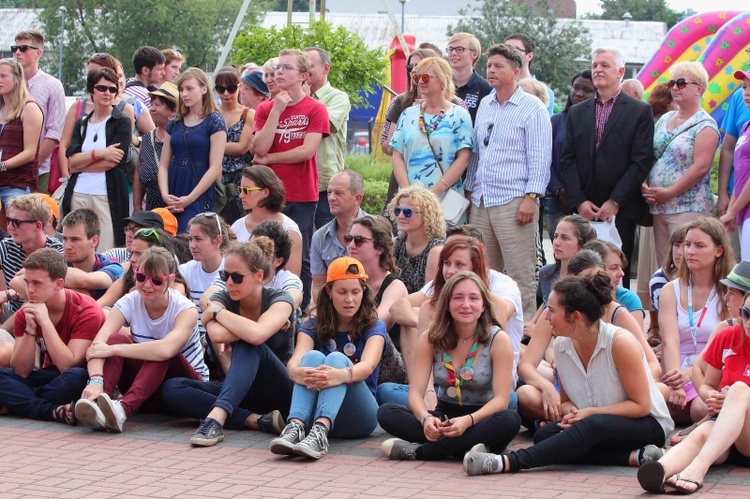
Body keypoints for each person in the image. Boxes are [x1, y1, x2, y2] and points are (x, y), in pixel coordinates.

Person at [464, 272, 673, 475]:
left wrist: (589, 413)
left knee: (590, 427)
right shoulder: (562, 345)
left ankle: (506, 462)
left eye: (552, 310)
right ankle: (636, 457)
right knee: (545, 436)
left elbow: (641, 406)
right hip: (595, 423)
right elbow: (565, 401)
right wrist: (572, 412)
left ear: (575, 317)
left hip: (647, 424)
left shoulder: (620, 343)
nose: (546, 316)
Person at [377, 270, 520, 461]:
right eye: (458, 298)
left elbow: (502, 399)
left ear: (484, 305)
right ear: (446, 304)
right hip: (444, 415)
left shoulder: (498, 339)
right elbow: (414, 393)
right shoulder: (430, 337)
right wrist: (426, 419)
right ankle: (466, 449)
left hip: (481, 418)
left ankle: (420, 452)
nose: (466, 305)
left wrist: (468, 421)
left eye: (473, 298)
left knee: (510, 420)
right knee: (387, 412)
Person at [518, 249, 661, 429]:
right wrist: (546, 388)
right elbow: (527, 364)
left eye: (596, 281)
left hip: (613, 395)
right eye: (586, 283)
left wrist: (635, 379)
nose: (592, 289)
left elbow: (652, 364)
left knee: (660, 392)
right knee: (525, 395)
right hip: (569, 392)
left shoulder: (617, 314)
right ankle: (569, 425)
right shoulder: (553, 315)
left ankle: (572, 427)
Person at [172, 240, 295, 446]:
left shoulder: (280, 299)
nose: (229, 283)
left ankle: (216, 419)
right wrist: (253, 327)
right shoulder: (223, 297)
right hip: (239, 390)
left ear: (258, 276)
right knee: (173, 388)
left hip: (279, 390)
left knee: (250, 345)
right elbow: (217, 335)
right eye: (225, 276)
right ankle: (253, 420)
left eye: (237, 277)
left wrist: (217, 313)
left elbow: (255, 336)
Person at [74, 246, 207, 433]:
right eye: (141, 277)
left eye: (156, 281)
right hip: (147, 388)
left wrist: (113, 350)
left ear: (170, 280)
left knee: (160, 352)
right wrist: (96, 380)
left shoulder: (185, 309)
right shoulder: (130, 300)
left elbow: (165, 350)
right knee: (116, 338)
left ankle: (122, 410)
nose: (147, 285)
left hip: (184, 387)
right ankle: (99, 404)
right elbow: (98, 345)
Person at [466, 43, 552, 321]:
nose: (491, 70)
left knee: (520, 273)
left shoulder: (533, 108)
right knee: (484, 271)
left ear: (515, 72)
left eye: (498, 66)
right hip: (481, 199)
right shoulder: (485, 105)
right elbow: (477, 153)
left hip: (515, 200)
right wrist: (469, 191)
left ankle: (522, 334)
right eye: (489, 65)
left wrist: (532, 197)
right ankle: (488, 329)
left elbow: (540, 156)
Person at [269, 257, 385, 459]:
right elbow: (294, 361)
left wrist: (340, 375)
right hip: (315, 412)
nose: (349, 299)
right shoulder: (313, 324)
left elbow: (368, 366)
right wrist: (296, 372)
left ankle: (321, 432)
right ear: (329, 292)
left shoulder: (374, 325)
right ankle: (296, 426)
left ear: (363, 292)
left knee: (336, 359)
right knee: (313, 356)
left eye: (355, 292)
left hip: (359, 416)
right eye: (342, 292)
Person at [637, 291, 750, 494]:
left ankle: (698, 468)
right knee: (701, 433)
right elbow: (707, 385)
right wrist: (711, 397)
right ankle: (661, 469)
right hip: (723, 432)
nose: (748, 321)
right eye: (746, 313)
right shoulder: (728, 335)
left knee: (740, 390)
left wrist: (734, 398)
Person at [560, 48, 655, 289]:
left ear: (621, 72)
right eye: (595, 65)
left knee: (615, 276)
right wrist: (579, 201)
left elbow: (641, 160)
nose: (598, 70)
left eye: (605, 65)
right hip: (583, 210)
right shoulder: (576, 111)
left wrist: (616, 200)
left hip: (620, 209)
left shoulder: (639, 111)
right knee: (579, 275)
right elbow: (567, 159)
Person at [252, 49, 330, 312]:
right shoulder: (266, 108)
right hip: (266, 195)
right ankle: (261, 304)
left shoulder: (316, 109)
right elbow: (258, 148)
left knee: (301, 254)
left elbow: (307, 151)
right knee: (261, 250)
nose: (279, 72)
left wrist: (270, 159)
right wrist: (276, 111)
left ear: (304, 76)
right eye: (277, 68)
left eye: (287, 68)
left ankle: (300, 307)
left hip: (301, 193)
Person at [0, 248, 105, 424]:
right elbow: (21, 371)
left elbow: (68, 365)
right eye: (27, 282)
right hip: (47, 377)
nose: (30, 290)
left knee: (76, 377)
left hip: (79, 378)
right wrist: (31, 328)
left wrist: (46, 322)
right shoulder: (26, 312)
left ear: (58, 284)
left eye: (37, 283)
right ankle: (50, 410)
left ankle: (17, 402)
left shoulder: (86, 310)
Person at [658, 217, 734, 425]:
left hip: (712, 371)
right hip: (677, 369)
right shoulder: (670, 290)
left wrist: (691, 373)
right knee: (655, 401)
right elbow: (669, 342)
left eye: (699, 246)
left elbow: (726, 346)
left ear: (719, 251)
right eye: (687, 245)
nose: (689, 251)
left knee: (701, 409)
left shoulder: (729, 292)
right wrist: (675, 383)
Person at [644, 62, 720, 266]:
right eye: (672, 83)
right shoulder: (665, 118)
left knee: (687, 265)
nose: (674, 88)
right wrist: (644, 182)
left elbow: (701, 167)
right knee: (665, 266)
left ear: (699, 88)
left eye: (681, 82)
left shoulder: (705, 124)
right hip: (659, 206)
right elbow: (649, 153)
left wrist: (670, 192)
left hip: (688, 207)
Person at [390, 56, 473, 218]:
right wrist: (407, 192)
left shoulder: (459, 115)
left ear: (443, 81)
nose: (420, 81)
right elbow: (397, 154)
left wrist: (435, 192)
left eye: (426, 77)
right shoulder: (408, 114)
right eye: (417, 77)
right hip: (410, 201)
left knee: (446, 242)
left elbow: (464, 158)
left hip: (445, 198)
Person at [62, 68, 132, 252]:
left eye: (112, 89)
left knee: (106, 250)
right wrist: (99, 154)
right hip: (78, 192)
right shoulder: (82, 123)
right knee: (77, 248)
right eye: (101, 88)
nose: (107, 93)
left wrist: (81, 164)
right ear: (91, 91)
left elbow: (114, 161)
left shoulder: (121, 121)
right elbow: (71, 161)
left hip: (107, 195)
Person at [158, 67, 227, 233]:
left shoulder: (214, 121)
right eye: (181, 90)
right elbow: (163, 165)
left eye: (189, 89)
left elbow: (215, 167)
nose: (184, 94)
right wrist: (165, 195)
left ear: (204, 89)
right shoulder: (174, 122)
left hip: (199, 187)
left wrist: (189, 199)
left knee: (192, 235)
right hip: (174, 185)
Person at [347, 215, 409, 385]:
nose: (351, 245)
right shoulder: (346, 280)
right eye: (349, 238)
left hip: (386, 368)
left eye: (359, 240)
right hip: (351, 355)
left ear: (379, 248)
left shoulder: (394, 286)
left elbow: (376, 324)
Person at [12, 30, 65, 195]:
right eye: (15, 48)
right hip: (6, 169)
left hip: (39, 170)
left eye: (23, 48)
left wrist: (31, 164)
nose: (17, 52)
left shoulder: (52, 85)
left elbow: (54, 132)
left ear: (38, 53)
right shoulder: (6, 84)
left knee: (36, 217)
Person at [304, 47, 351, 230]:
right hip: (300, 187)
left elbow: (326, 126)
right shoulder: (290, 98)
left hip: (326, 187)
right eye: (302, 66)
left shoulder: (338, 97)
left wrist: (303, 102)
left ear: (326, 68)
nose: (305, 70)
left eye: (310, 65)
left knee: (331, 243)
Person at [545, 71, 595, 239]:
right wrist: (560, 190)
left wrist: (576, 197)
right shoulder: (557, 121)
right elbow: (545, 160)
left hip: (589, 202)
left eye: (587, 90)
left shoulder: (598, 124)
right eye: (576, 87)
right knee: (561, 252)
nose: (579, 93)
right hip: (557, 201)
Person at [0, 195, 63, 323]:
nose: (10, 227)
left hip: (46, 317)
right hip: (12, 312)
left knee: (30, 305)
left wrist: (9, 294)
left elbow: (49, 293)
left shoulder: (56, 250)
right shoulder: (6, 246)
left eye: (16, 222)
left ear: (37, 226)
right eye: (8, 220)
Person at [230, 165, 302, 276]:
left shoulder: (289, 230)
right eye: (240, 190)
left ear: (265, 192)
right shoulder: (236, 227)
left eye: (246, 190)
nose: (241, 195)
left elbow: (293, 278)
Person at [311, 170, 368, 301]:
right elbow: (319, 285)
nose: (331, 198)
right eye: (329, 192)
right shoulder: (319, 237)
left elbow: (385, 279)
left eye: (339, 193)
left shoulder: (376, 230)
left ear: (357, 198)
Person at [0, 57, 43, 223]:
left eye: (3, 76)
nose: (0, 80)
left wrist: (3, 165)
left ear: (17, 79)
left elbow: (30, 152)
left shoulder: (29, 108)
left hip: (17, 184)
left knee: (16, 228)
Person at [97, 228, 186, 308]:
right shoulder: (124, 282)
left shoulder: (175, 287)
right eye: (132, 253)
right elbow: (96, 307)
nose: (132, 259)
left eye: (139, 254)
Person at [388, 185, 445, 296]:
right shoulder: (395, 244)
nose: (400, 216)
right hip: (392, 303)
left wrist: (398, 305)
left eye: (407, 212)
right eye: (398, 210)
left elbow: (428, 296)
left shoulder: (436, 251)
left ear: (426, 215)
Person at [719, 70, 750, 259]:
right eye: (745, 87)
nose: (746, 92)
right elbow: (741, 174)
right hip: (743, 209)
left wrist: (733, 210)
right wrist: (732, 210)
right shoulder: (746, 127)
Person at [59, 208, 123, 300]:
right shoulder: (58, 260)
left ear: (94, 241)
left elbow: (82, 280)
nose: (67, 246)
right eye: (65, 239)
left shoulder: (113, 268)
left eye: (75, 239)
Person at [583, 239, 646, 330]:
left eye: (621, 267)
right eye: (613, 268)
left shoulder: (629, 298)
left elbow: (637, 341)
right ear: (592, 270)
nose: (621, 273)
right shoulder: (575, 297)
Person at [135, 81, 178, 211]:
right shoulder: (148, 138)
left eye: (157, 105)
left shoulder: (181, 138)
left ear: (173, 111)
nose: (151, 109)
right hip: (151, 212)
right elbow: (137, 173)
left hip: (176, 210)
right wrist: (137, 206)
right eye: (151, 104)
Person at [648, 224, 688, 347]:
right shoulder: (659, 281)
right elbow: (671, 330)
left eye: (686, 245)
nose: (679, 252)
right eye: (676, 245)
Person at [215, 66, 253, 187]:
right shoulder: (210, 114)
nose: (226, 93)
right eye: (221, 89)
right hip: (214, 176)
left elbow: (242, 148)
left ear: (239, 87)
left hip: (240, 179)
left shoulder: (248, 114)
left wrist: (212, 146)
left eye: (231, 88)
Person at [504, 33, 556, 116]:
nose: (508, 53)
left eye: (515, 49)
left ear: (530, 56)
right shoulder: (496, 89)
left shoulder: (544, 92)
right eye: (505, 49)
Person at [446, 32, 491, 123]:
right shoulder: (442, 84)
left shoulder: (486, 88)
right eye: (450, 49)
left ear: (474, 54)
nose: (453, 53)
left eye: (459, 49)